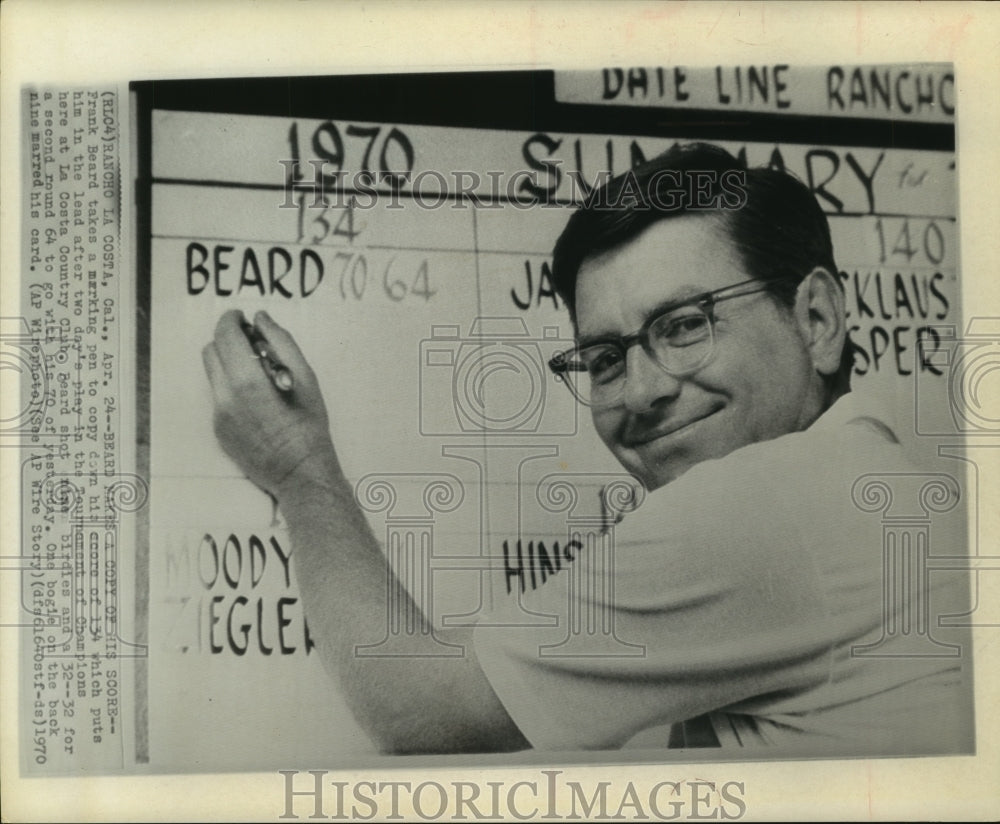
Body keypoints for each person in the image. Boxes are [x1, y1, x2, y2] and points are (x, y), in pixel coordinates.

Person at [202, 143, 971, 756]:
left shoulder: (769, 501)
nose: (641, 391)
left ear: (818, 319)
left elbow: (424, 710)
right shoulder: (878, 478)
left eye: (686, 325)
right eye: (604, 357)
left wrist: (298, 467)